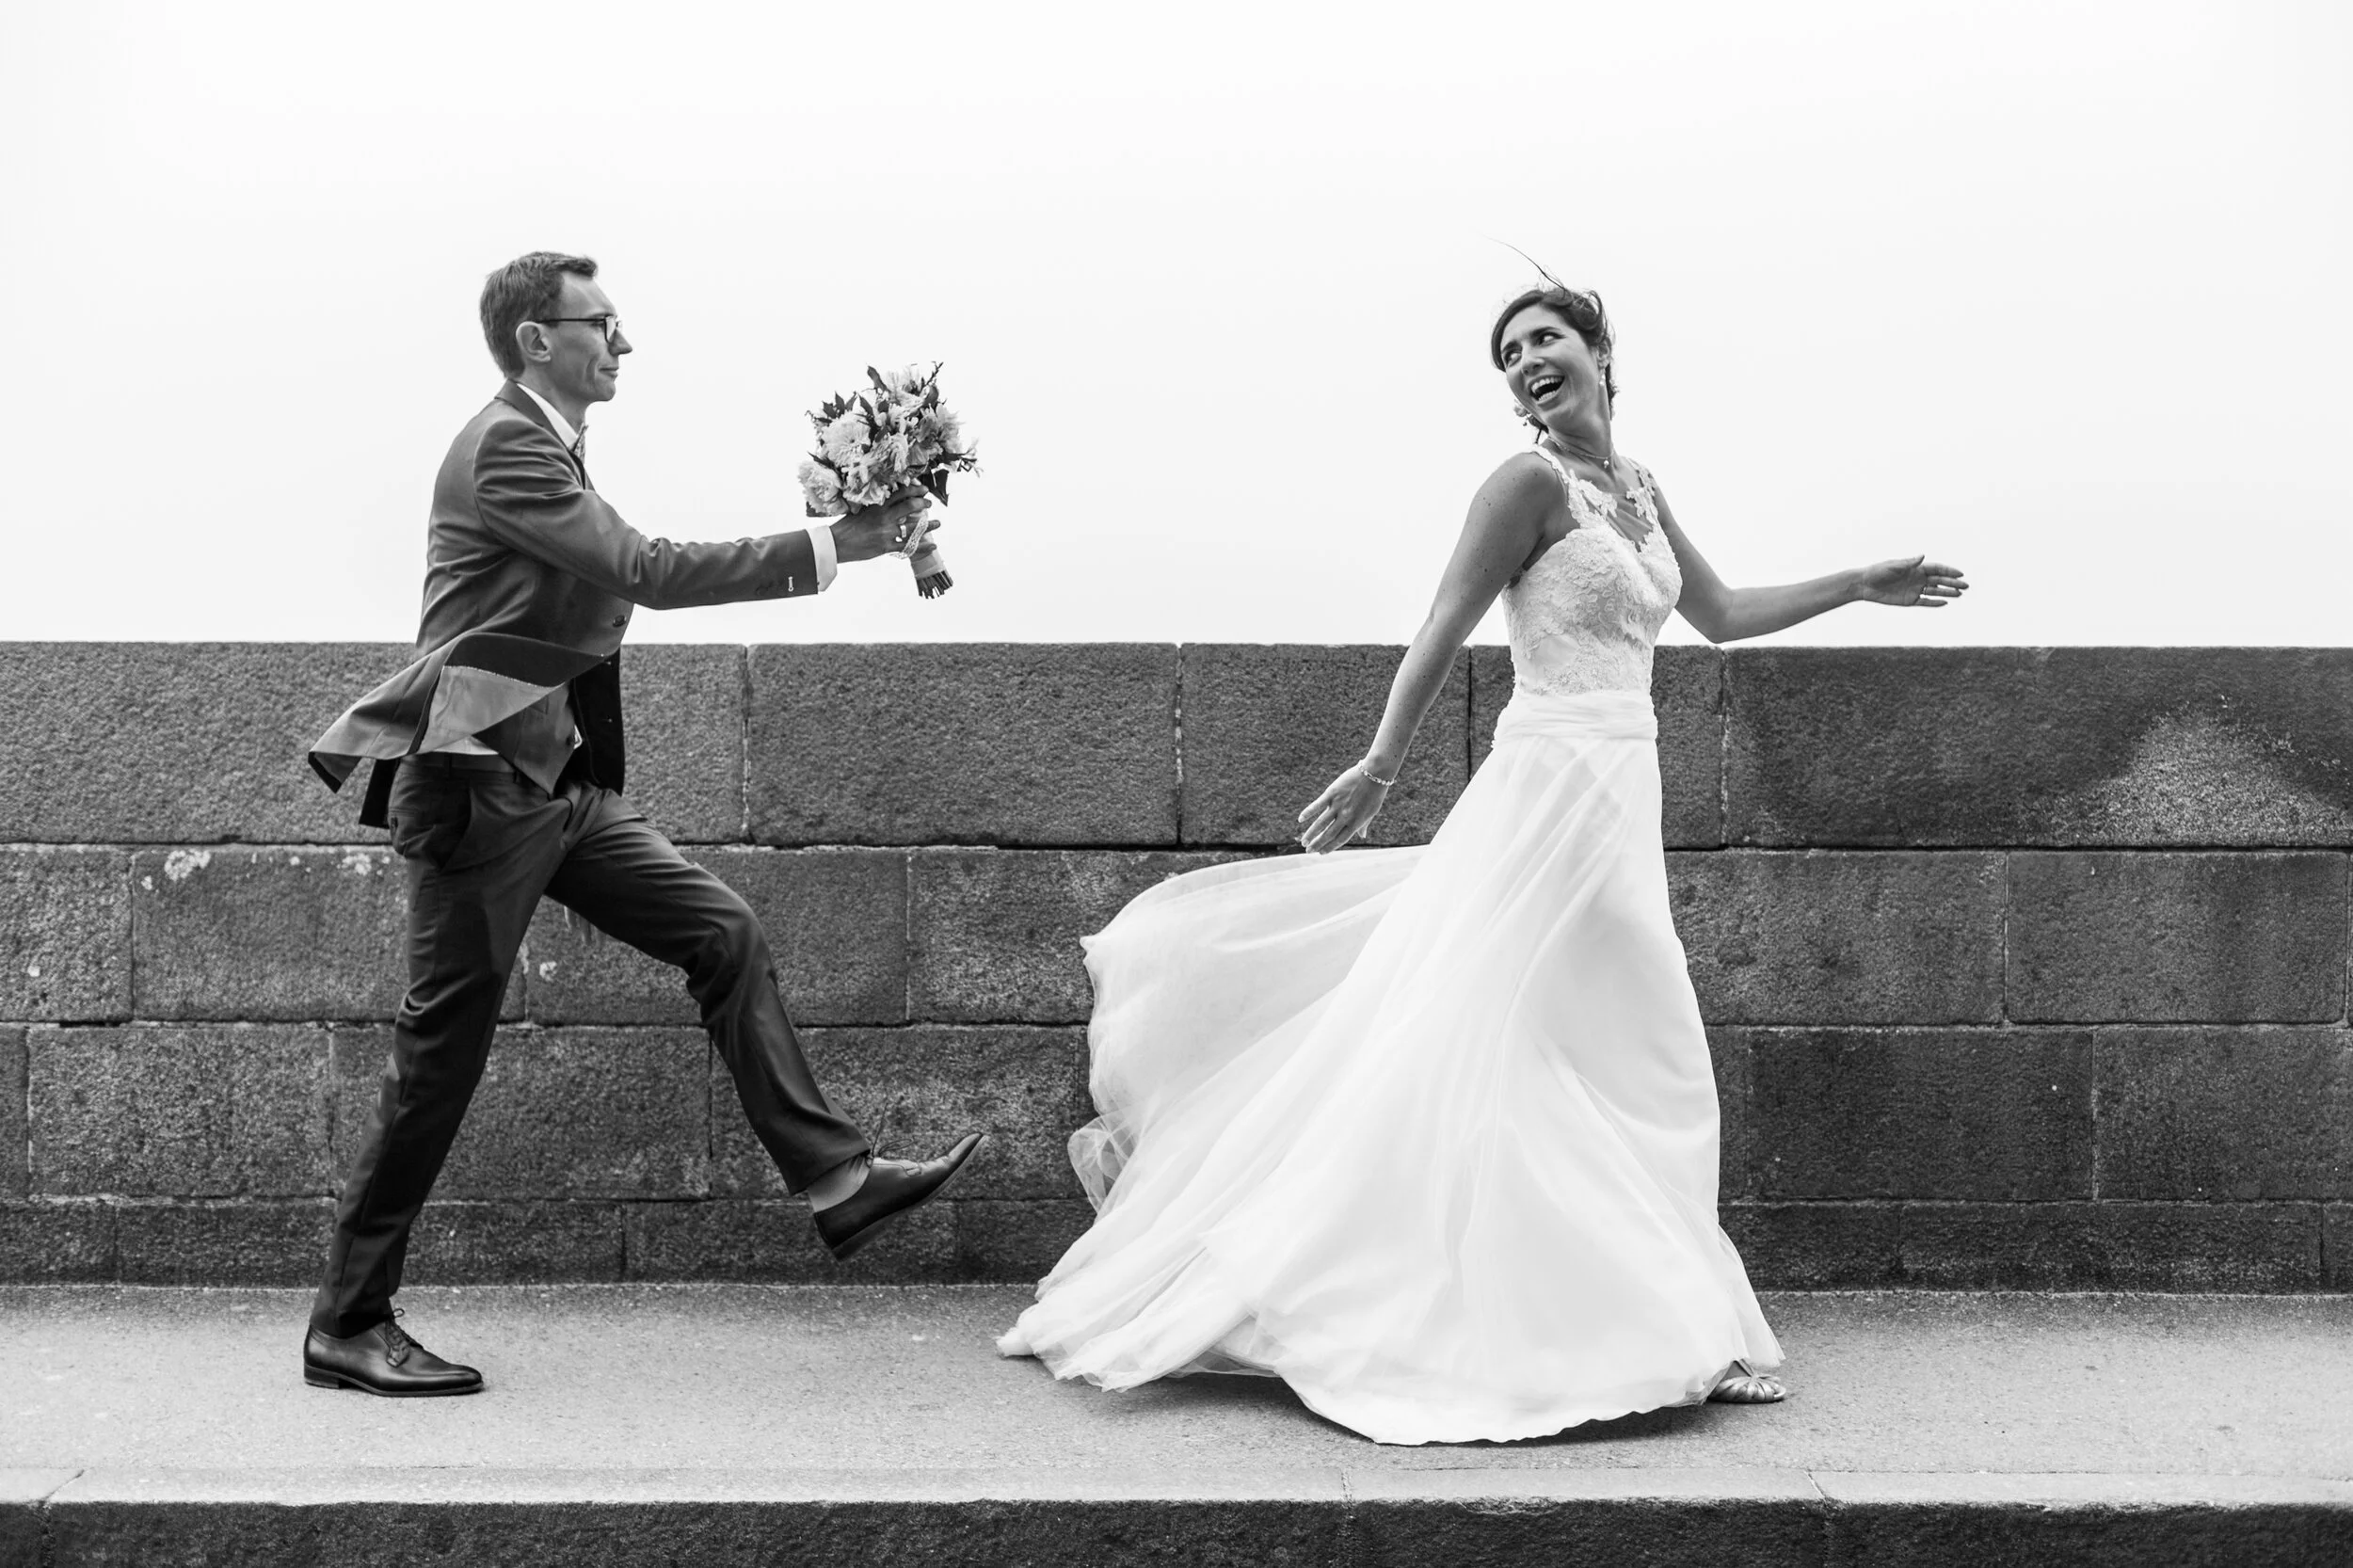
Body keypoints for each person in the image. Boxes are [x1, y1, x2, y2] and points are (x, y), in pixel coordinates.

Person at [999, 281, 1966, 1444]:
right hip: (1547, 786)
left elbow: (1716, 613)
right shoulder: (1525, 484)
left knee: (1611, 1056)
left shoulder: (1640, 488)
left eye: (1544, 339)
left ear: (1601, 351)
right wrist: (1377, 765)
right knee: (1598, 1043)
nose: (1525, 363)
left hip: (1621, 789)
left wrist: (1860, 583)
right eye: (1508, 354)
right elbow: (1443, 623)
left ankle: (1663, 1322)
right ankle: (1656, 1327)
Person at [300, 251, 981, 1397]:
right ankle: (348, 1322)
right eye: (601, 323)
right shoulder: (506, 444)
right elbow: (645, 571)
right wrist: (833, 545)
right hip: (476, 793)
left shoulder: (557, 448)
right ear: (534, 338)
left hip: (558, 788)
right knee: (437, 1065)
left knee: (721, 930)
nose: (623, 343)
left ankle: (835, 1179)